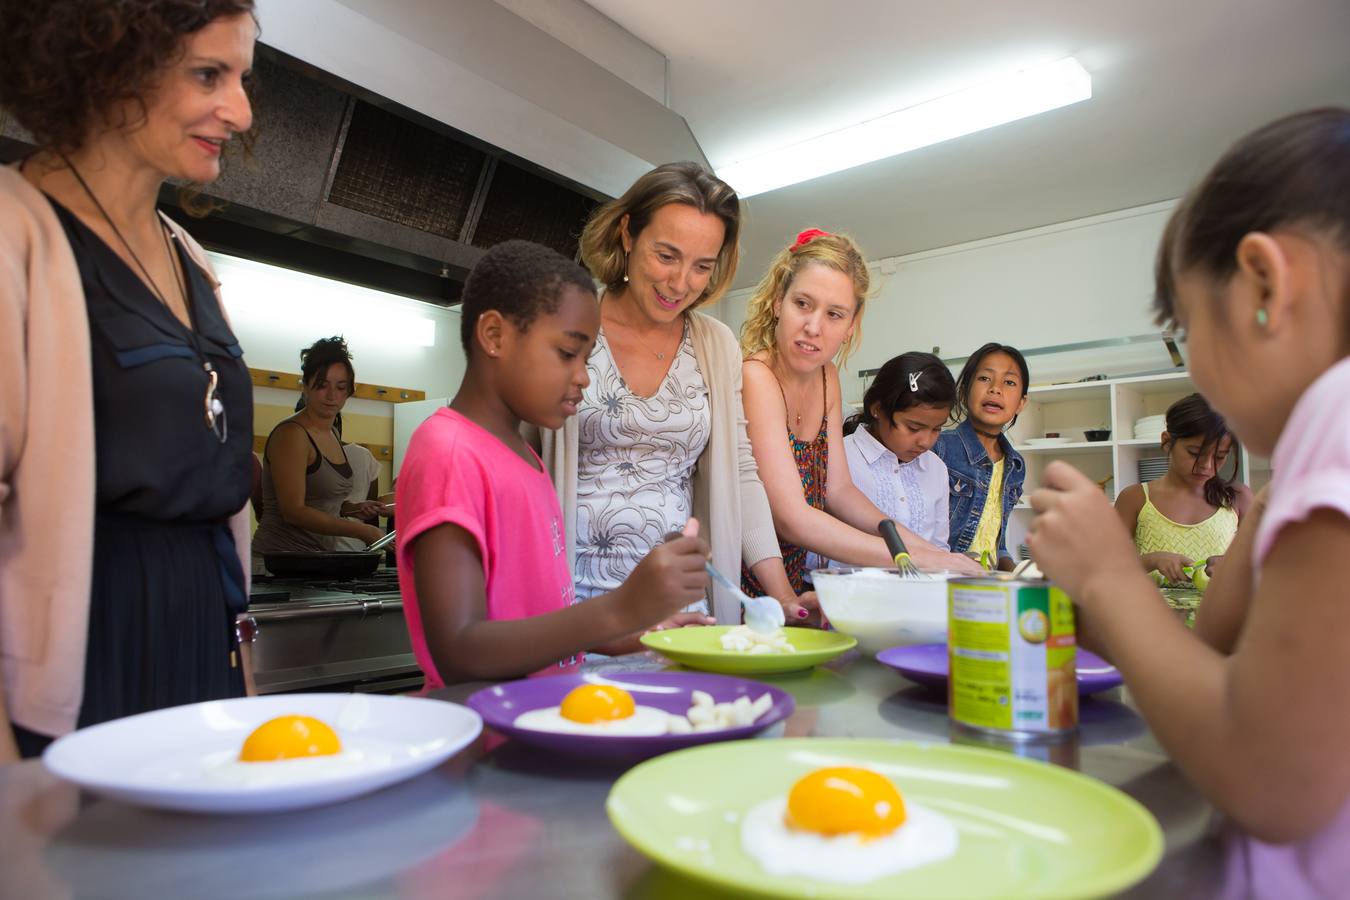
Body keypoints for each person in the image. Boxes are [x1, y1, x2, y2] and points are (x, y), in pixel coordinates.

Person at [1027, 107, 1350, 897]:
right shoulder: (1292, 483)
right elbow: (1209, 666)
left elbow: (1272, 781)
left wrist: (1109, 576)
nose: (1195, 366)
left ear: (1265, 285)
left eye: (1184, 325)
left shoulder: (1337, 419)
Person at [0, 0, 258, 761]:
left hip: (201, 650)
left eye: (244, 77)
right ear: (104, 63)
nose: (240, 111)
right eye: (209, 75)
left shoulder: (188, 255)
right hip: (87, 662)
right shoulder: (16, 235)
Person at [397, 240, 711, 685]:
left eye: (588, 358)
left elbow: (535, 619)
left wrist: (632, 633)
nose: (583, 376)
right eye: (568, 353)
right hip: (487, 737)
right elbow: (460, 651)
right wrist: (619, 608)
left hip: (540, 722)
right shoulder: (449, 452)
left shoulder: (525, 457)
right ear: (494, 336)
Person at [529, 162, 816, 625]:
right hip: (574, 603)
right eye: (666, 256)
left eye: (702, 266)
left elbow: (742, 474)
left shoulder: (716, 344)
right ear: (628, 234)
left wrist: (780, 594)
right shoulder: (565, 324)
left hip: (681, 607)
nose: (680, 283)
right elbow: (519, 462)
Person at [739, 228, 982, 595]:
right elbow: (791, 517)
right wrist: (906, 558)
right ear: (777, 302)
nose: (813, 327)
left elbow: (839, 491)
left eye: (834, 314)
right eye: (802, 304)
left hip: (791, 581)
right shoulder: (757, 377)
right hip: (746, 578)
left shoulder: (826, 376)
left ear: (851, 325)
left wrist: (925, 549)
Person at [252, 336, 386, 568]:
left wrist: (353, 508)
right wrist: (361, 530)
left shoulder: (331, 433)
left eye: (341, 387)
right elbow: (293, 511)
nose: (332, 395)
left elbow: (321, 504)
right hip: (276, 563)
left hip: (314, 560)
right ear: (305, 386)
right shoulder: (292, 434)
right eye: (322, 385)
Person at [1114, 393, 1251, 585]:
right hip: (1149, 613)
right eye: (1195, 453)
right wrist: (1151, 560)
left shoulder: (1237, 498)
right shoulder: (1135, 498)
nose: (1206, 465)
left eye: (1219, 456)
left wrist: (1232, 564)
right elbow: (1104, 566)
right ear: (1166, 442)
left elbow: (1265, 564)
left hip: (1218, 614)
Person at [833, 352, 958, 558]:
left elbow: (939, 549)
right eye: (913, 427)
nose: (926, 442)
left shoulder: (936, 469)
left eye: (937, 429)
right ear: (877, 409)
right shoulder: (842, 458)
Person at [934, 343, 1031, 570]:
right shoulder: (939, 448)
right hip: (944, 582)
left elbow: (997, 542)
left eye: (1009, 382)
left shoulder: (1015, 466)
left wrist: (1016, 572)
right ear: (964, 390)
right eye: (985, 378)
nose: (995, 389)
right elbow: (917, 531)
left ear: (1021, 403)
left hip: (986, 586)